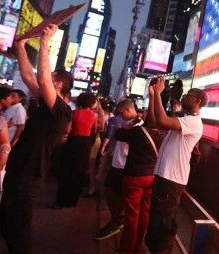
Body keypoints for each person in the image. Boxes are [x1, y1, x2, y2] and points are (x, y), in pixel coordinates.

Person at [0, 24, 73, 253]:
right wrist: (20, 46)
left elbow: (41, 81)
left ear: (58, 84)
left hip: (30, 172)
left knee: (19, 230)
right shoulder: (44, 102)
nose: (46, 76)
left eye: (51, 77)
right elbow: (29, 75)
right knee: (7, 226)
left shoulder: (61, 109)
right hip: (19, 167)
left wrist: (44, 41)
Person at [145, 78, 206, 254]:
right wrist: (152, 96)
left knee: (163, 224)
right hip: (166, 176)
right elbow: (154, 122)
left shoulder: (193, 122)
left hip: (171, 180)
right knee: (157, 221)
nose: (185, 95)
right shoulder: (184, 118)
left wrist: (158, 92)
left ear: (198, 102)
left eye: (189, 94)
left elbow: (163, 121)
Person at [114, 106, 158, 253]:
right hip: (151, 176)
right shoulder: (162, 134)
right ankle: (139, 243)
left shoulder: (137, 131)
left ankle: (127, 248)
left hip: (134, 176)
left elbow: (119, 134)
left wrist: (123, 125)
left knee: (132, 213)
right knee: (145, 211)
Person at [94, 99, 139, 241]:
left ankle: (116, 221)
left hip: (124, 166)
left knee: (114, 194)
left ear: (128, 110)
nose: (120, 116)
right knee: (111, 192)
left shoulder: (137, 126)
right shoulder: (130, 124)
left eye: (121, 113)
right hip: (117, 164)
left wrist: (120, 130)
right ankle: (116, 220)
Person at [53, 92, 97, 208]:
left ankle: (60, 200)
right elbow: (94, 130)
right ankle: (72, 201)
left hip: (73, 141)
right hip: (85, 143)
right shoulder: (94, 115)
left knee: (67, 169)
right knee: (79, 171)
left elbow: (67, 130)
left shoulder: (74, 113)